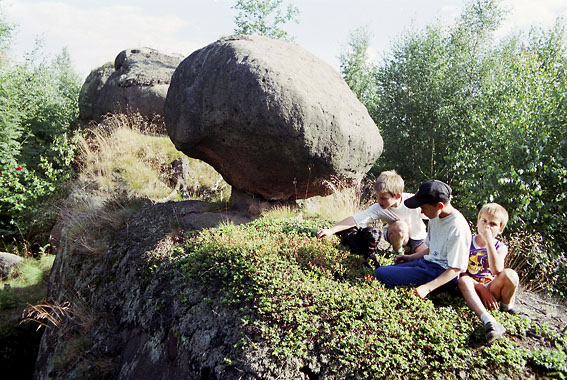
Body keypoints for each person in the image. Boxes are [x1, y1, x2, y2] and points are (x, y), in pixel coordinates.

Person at [374, 179, 472, 299]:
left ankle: (439, 293)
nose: (421, 211)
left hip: (441, 273)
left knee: (382, 274)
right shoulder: (436, 216)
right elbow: (432, 249)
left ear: (439, 205)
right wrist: (410, 258)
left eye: (424, 208)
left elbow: (456, 268)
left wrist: (427, 287)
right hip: (427, 263)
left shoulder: (457, 227)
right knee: (382, 271)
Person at [316, 170, 427, 254]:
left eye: (383, 198)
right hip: (397, 235)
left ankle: (411, 251)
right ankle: (398, 252)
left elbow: (434, 215)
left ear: (397, 196)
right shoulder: (378, 207)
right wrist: (331, 230)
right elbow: (355, 219)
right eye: (377, 197)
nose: (379, 201)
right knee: (400, 226)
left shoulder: (413, 201)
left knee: (426, 256)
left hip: (419, 237)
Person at [458, 203, 519, 343]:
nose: (487, 227)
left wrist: (489, 241)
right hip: (473, 288)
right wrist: (480, 287)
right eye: (484, 221)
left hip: (492, 288)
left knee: (511, 275)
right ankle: (487, 319)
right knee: (463, 280)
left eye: (493, 224)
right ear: (477, 221)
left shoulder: (501, 247)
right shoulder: (467, 242)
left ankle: (507, 306)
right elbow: (461, 272)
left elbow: (497, 270)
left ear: (500, 229)